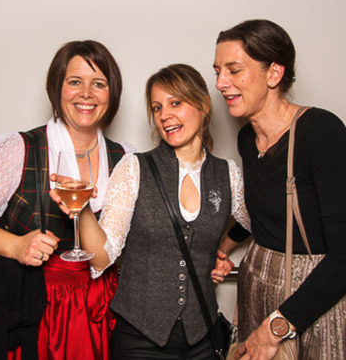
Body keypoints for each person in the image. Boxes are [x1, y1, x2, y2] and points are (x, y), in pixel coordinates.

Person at [0, 40, 134, 359]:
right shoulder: (17, 149)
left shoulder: (126, 159)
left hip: (99, 313)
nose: (87, 93)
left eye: (99, 84)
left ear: (111, 93)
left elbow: (117, 252)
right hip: (29, 309)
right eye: (75, 82)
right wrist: (15, 245)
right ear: (57, 88)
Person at [51, 63, 252, 359]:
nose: (164, 115)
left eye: (175, 103)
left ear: (204, 105)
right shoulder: (134, 167)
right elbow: (104, 256)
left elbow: (259, 223)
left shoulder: (228, 174)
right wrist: (81, 209)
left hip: (204, 338)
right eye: (157, 107)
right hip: (139, 340)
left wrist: (222, 248)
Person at [212, 19, 346, 359]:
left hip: (312, 304)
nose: (221, 83)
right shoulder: (247, 139)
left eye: (234, 70)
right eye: (218, 72)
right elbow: (263, 213)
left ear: (274, 74)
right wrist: (221, 249)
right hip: (258, 291)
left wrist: (275, 329)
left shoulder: (322, 132)